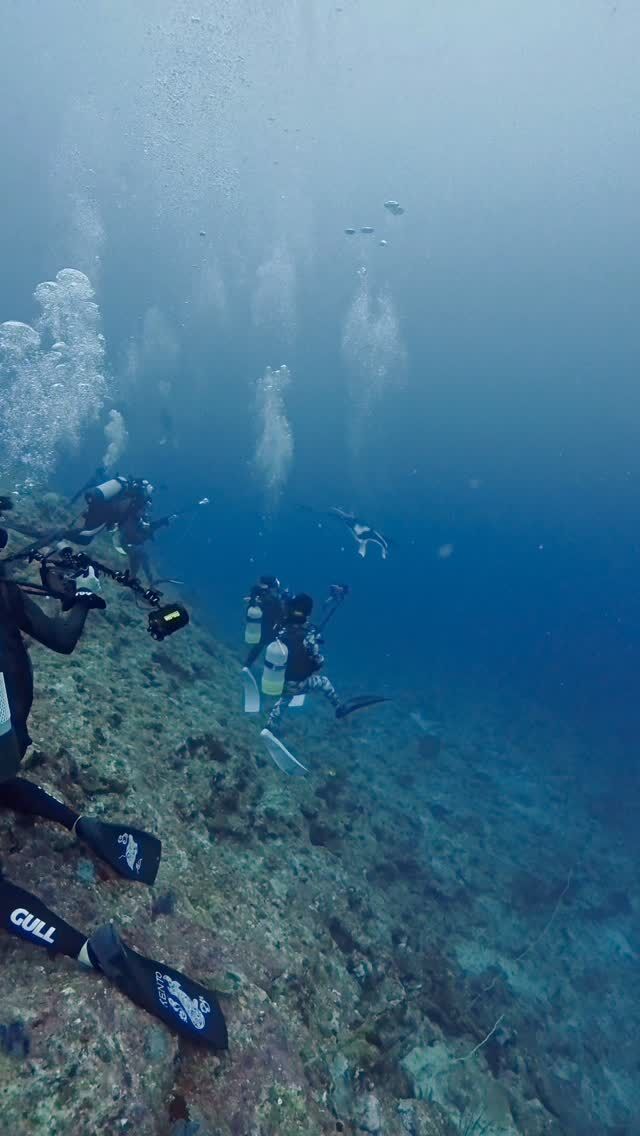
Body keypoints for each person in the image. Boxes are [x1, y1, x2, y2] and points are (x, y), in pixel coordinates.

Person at [0, 502, 227, 1047]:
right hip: (9, 740)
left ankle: (87, 949)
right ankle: (79, 828)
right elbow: (62, 638)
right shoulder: (5, 591)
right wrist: (77, 594)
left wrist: (71, 589)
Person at [243, 575, 288, 668]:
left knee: (258, 646)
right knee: (280, 649)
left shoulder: (257, 593)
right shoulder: (274, 598)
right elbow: (281, 613)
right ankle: (276, 672)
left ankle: (247, 665)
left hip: (259, 625)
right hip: (270, 628)